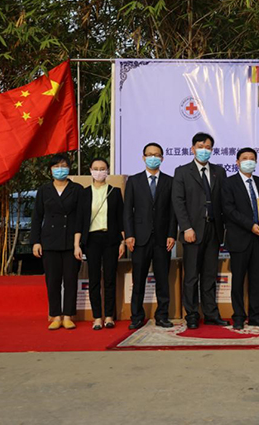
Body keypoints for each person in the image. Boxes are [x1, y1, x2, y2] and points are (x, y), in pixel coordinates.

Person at [172, 133, 228, 329]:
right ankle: (192, 315)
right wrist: (186, 227)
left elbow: (224, 201)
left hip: (214, 229)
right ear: (193, 149)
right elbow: (178, 202)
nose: (204, 150)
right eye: (200, 146)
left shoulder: (219, 172)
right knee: (191, 276)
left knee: (209, 275)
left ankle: (211, 313)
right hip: (192, 230)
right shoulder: (182, 172)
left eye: (208, 147)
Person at [123, 142, 178, 330]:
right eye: (149, 154)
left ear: (162, 158)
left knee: (162, 280)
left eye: (156, 155)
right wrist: (129, 234)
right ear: (143, 157)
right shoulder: (134, 181)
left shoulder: (170, 181)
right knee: (138, 280)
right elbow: (127, 211)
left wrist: (172, 234)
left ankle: (162, 316)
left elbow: (173, 211)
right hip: (139, 238)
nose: (153, 158)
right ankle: (136, 317)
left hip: (163, 239)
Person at [30, 153, 83, 330]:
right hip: (49, 241)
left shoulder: (77, 189)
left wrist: (78, 244)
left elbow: (80, 218)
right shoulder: (44, 190)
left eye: (63, 166)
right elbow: (37, 217)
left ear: (69, 168)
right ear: (50, 170)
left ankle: (68, 315)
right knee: (52, 281)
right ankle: (55, 315)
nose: (60, 169)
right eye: (56, 166)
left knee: (70, 280)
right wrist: (36, 241)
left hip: (71, 241)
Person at [221, 148, 259, 330]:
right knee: (238, 281)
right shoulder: (228, 183)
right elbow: (229, 210)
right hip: (239, 238)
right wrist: (250, 225)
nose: (248, 161)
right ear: (237, 162)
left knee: (256, 280)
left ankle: (256, 316)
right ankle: (239, 316)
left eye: (252, 158)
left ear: (256, 162)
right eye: (244, 158)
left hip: (258, 239)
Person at [74, 158, 125, 331]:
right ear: (90, 170)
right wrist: (77, 245)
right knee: (94, 279)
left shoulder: (114, 192)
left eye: (102, 168)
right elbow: (79, 221)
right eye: (95, 168)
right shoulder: (84, 193)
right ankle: (97, 317)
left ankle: (109, 316)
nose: (99, 172)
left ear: (107, 171)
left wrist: (122, 242)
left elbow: (121, 219)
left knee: (110, 278)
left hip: (111, 239)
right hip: (92, 240)